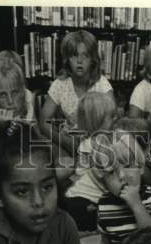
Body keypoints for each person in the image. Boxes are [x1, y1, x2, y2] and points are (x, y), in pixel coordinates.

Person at [38, 30, 113, 160]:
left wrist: (91, 144)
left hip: (97, 143)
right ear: (67, 59)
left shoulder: (102, 85)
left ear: (93, 60)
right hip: (67, 142)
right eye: (74, 55)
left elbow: (111, 122)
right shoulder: (60, 84)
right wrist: (65, 141)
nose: (79, 61)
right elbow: (43, 122)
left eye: (85, 55)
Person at [61, 91, 119, 232]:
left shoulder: (88, 141)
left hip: (75, 196)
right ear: (98, 121)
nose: (116, 119)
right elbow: (110, 180)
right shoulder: (99, 146)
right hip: (86, 201)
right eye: (111, 117)